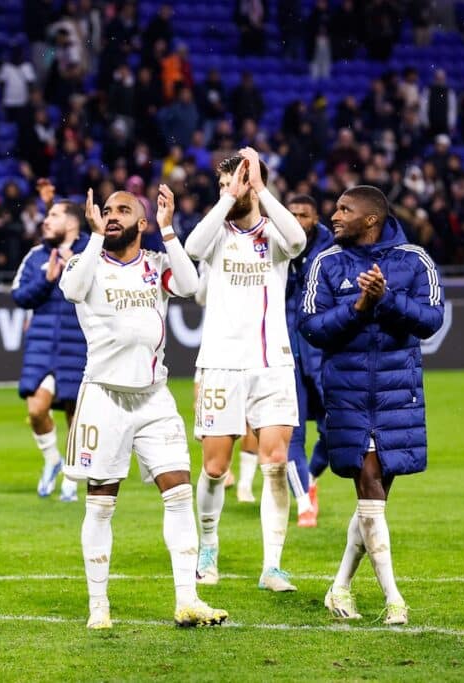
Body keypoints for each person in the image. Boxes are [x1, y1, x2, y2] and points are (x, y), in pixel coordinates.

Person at [60, 184, 227, 629]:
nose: (112, 216)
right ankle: (99, 605)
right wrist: (94, 235)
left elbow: (192, 287)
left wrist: (170, 231)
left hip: (154, 397)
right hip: (104, 397)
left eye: (123, 210)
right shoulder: (86, 262)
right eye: (107, 210)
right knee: (100, 504)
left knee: (178, 494)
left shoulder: (155, 265)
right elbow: (73, 291)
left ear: (142, 222)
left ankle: (187, 600)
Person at [300, 185, 445, 626]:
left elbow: (432, 319)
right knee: (370, 487)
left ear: (370, 219)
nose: (334, 214)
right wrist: (361, 307)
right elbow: (311, 326)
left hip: (397, 395)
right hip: (346, 394)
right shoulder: (326, 262)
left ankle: (340, 586)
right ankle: (394, 598)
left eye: (344, 208)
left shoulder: (415, 260)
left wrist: (387, 299)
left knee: (374, 499)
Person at [184, 148, 307, 592]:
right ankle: (209, 547)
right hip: (220, 364)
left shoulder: (274, 233)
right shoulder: (215, 233)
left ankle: (272, 565)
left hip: (272, 361)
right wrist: (226, 198)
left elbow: (298, 243)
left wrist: (260, 190)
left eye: (235, 181)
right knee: (216, 468)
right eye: (222, 184)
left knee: (274, 459)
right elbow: (192, 248)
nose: (229, 189)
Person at [12, 180, 89, 502]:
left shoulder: (92, 252)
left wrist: (74, 268)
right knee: (36, 410)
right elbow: (19, 296)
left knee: (75, 414)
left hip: (80, 343)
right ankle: (52, 461)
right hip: (42, 346)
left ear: (71, 222)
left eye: (54, 215)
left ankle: (72, 479)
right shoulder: (35, 256)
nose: (46, 220)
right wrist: (46, 282)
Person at [284, 194, 335, 527]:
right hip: (286, 357)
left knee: (336, 432)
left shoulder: (333, 253)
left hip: (324, 357)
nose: (297, 220)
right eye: (292, 214)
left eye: (304, 215)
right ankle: (303, 503)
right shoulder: (275, 248)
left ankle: (311, 477)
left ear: (315, 217)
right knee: (293, 436)